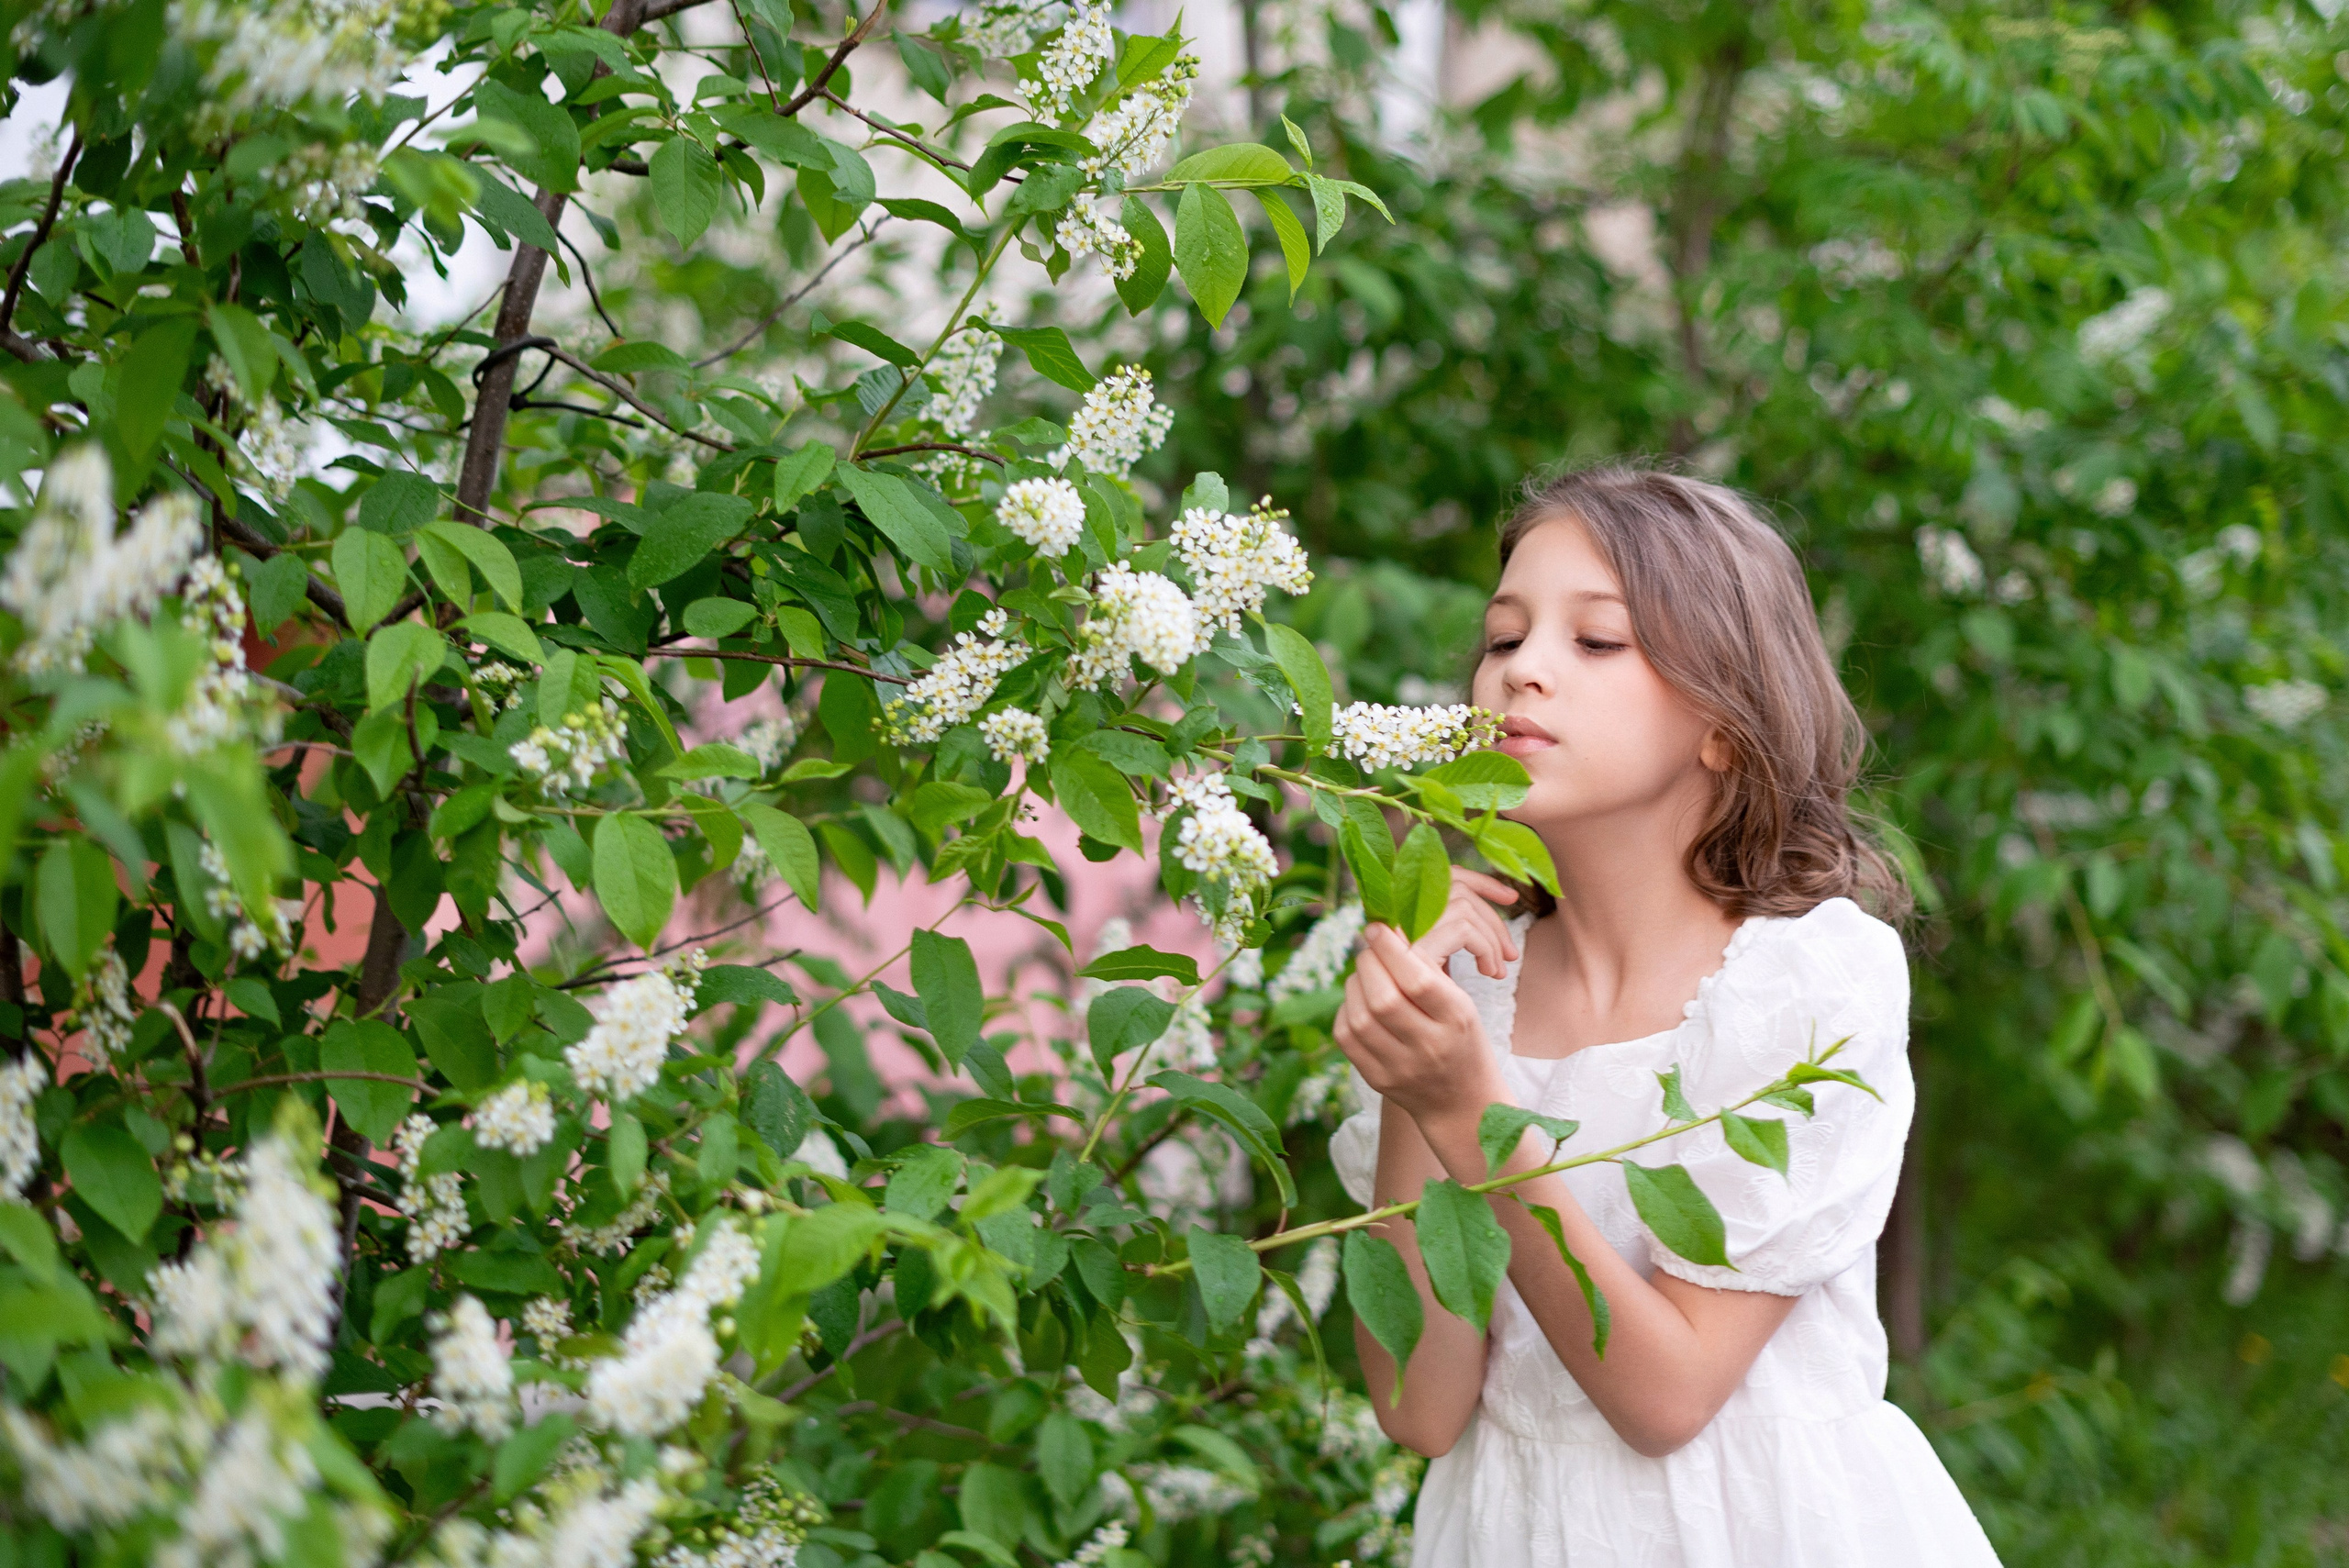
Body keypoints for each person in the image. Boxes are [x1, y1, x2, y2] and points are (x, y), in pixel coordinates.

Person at [1327, 463, 2002, 1567]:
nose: (1521, 673)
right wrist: (1419, 1065)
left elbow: (1667, 1396)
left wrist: (1467, 1107)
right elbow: (1419, 1404)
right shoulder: (1465, 983)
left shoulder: (1805, 979)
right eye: (1503, 638)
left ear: (1724, 725)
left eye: (1595, 642)